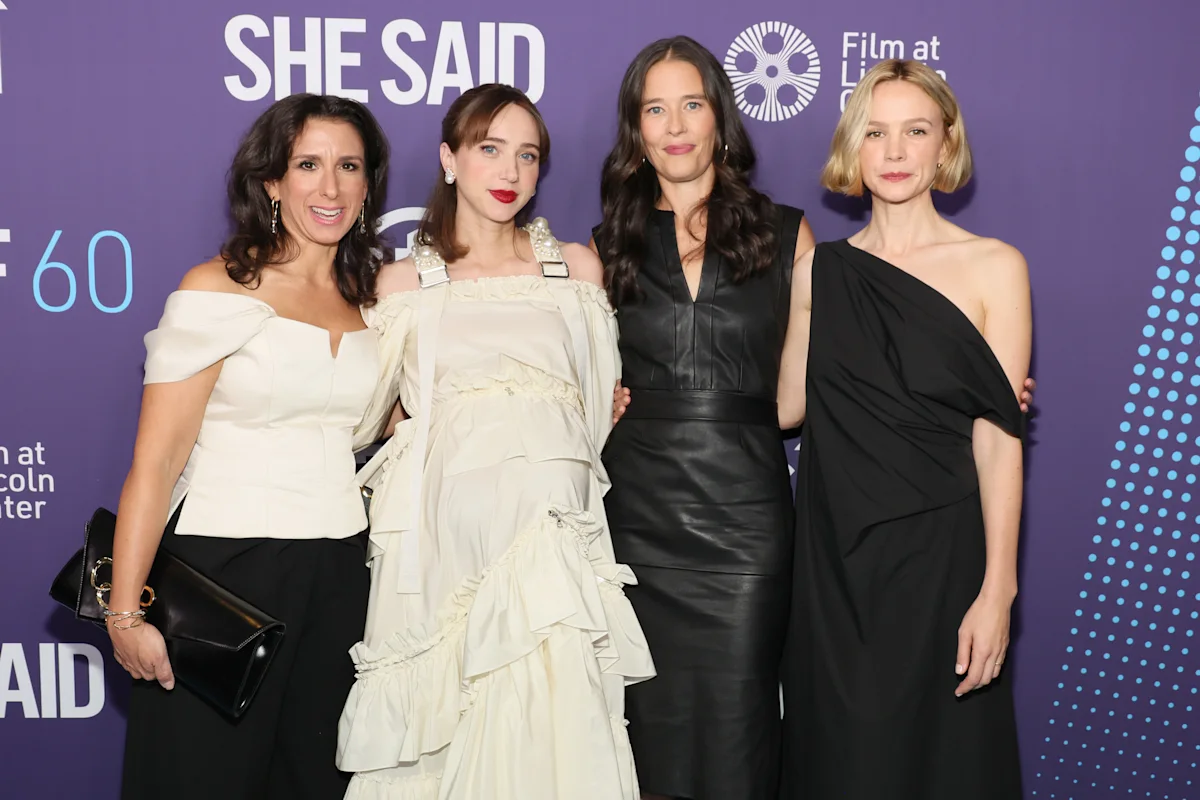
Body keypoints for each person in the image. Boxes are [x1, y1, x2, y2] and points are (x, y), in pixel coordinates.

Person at [336, 83, 654, 800]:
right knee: (445, 727)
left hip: (550, 543)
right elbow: (363, 416)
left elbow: (593, 411)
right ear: (450, 160)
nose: (510, 171)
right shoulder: (402, 283)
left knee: (555, 724)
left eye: (527, 155)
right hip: (445, 548)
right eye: (489, 149)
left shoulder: (574, 270)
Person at [107, 94, 391, 799]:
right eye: (308, 165)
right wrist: (124, 611)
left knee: (313, 781)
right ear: (272, 182)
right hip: (223, 576)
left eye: (349, 166)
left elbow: (401, 422)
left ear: (368, 184)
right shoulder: (216, 288)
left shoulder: (375, 303)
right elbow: (157, 462)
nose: (330, 187)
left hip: (340, 577)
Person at [777, 59, 1030, 799]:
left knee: (942, 764)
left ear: (945, 145)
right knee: (841, 767)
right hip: (833, 567)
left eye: (915, 131)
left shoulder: (994, 266)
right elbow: (783, 407)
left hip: (942, 561)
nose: (893, 152)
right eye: (875, 132)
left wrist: (998, 590)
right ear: (851, 146)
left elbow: (999, 440)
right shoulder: (819, 273)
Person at [590, 36, 814, 800]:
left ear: (720, 117)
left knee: (737, 731)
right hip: (634, 521)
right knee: (641, 734)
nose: (676, 125)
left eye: (691, 104)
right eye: (656, 109)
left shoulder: (786, 234)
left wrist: (964, 384)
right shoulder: (604, 248)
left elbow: (797, 398)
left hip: (744, 523)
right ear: (636, 130)